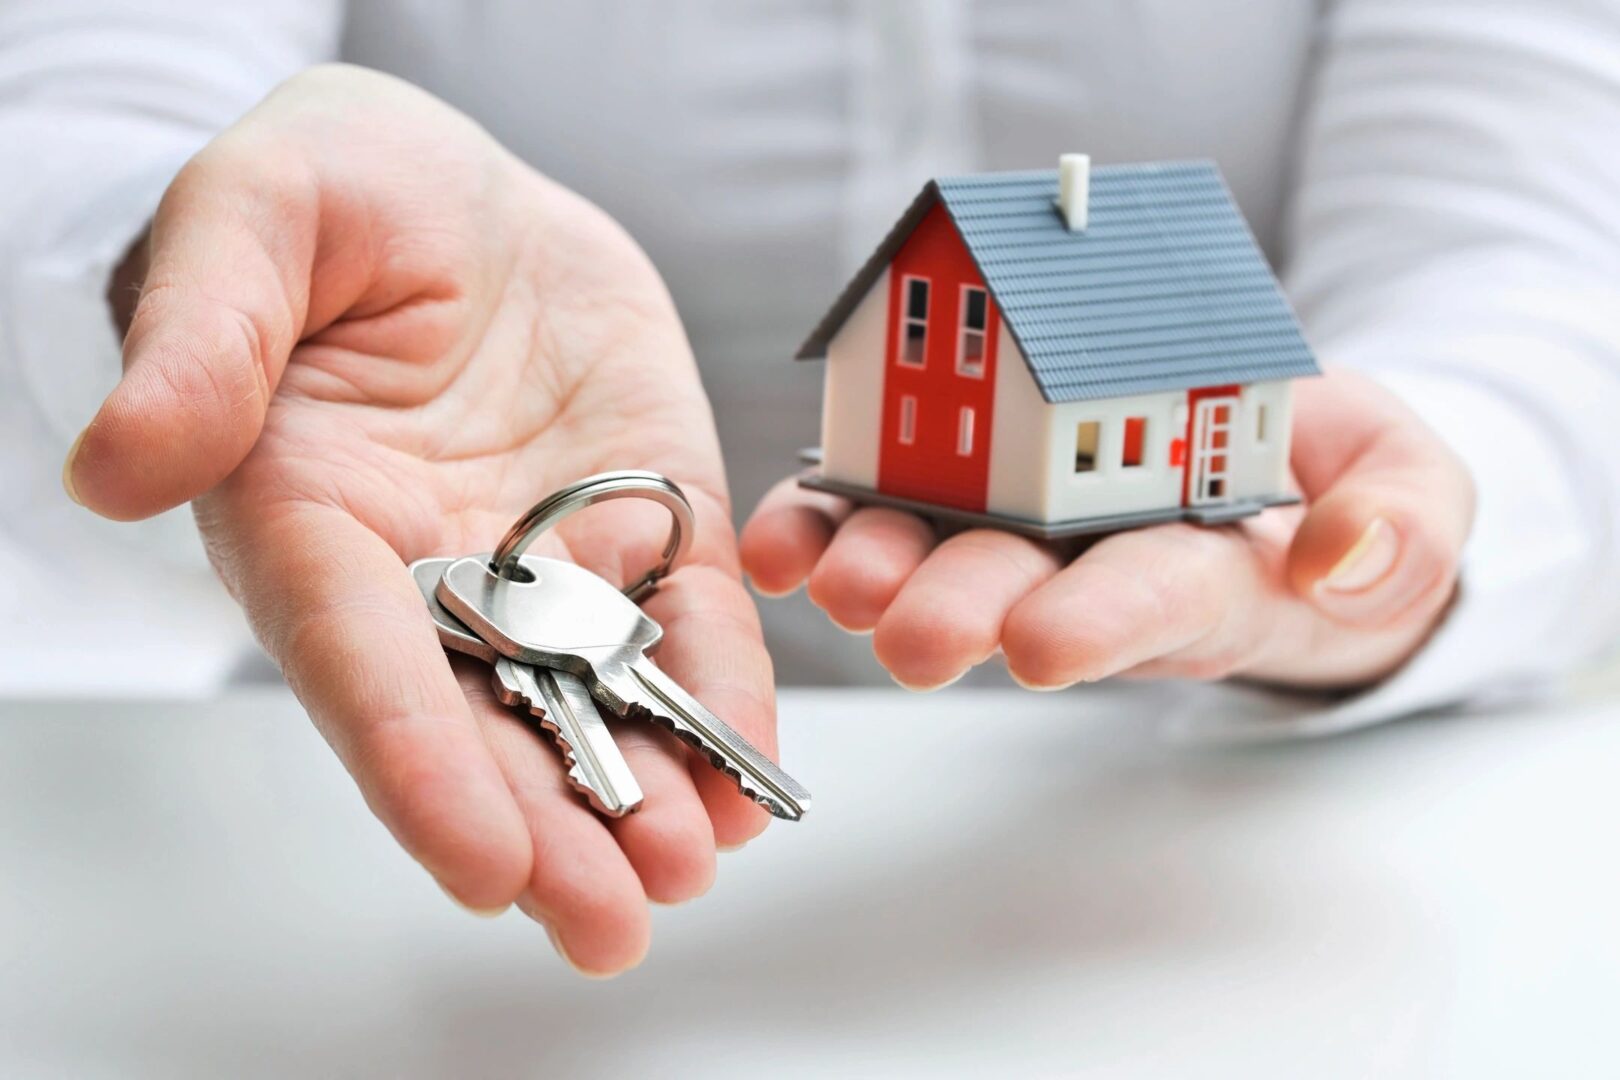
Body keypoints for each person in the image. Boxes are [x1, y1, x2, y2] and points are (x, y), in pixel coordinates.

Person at [2, 2, 1617, 977]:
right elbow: (77, 114)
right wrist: (187, 260)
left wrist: (1405, 508)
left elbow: (1535, 258)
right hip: (305, 859)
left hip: (1249, 859)